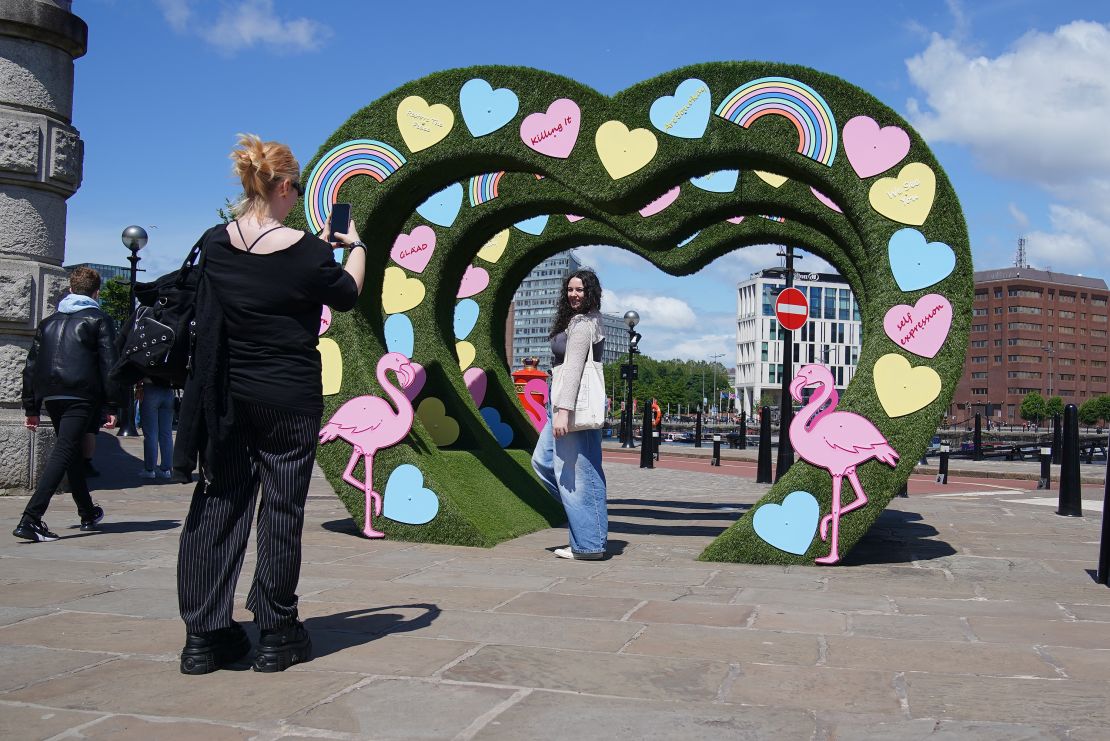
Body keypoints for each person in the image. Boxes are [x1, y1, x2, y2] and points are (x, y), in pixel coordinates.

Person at [174, 134, 365, 675]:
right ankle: (278, 632)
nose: (298, 196)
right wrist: (356, 248)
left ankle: (205, 637)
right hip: (288, 398)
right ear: (283, 186)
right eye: (296, 188)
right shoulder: (307, 251)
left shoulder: (214, 242)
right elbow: (346, 295)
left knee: (217, 505)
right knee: (280, 510)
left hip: (226, 397)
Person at [16, 266, 119, 542]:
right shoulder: (99, 319)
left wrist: (31, 407)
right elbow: (110, 364)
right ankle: (31, 518)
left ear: (70, 289)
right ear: (96, 292)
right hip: (81, 395)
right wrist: (111, 405)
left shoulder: (48, 322)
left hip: (52, 396)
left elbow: (31, 366)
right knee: (64, 451)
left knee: (71, 451)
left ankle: (87, 512)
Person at [531, 269, 608, 561]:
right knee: (544, 462)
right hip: (562, 402)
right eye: (571, 289)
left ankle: (588, 545)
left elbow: (575, 368)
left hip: (571, 406)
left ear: (591, 292)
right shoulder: (576, 320)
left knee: (581, 474)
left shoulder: (586, 322)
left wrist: (564, 413)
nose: (574, 294)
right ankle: (588, 529)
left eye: (581, 290)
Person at [137, 376, 175, 479]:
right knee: (166, 433)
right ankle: (166, 469)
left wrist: (139, 386)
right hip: (168, 389)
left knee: (151, 433)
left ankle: (149, 469)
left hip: (150, 387)